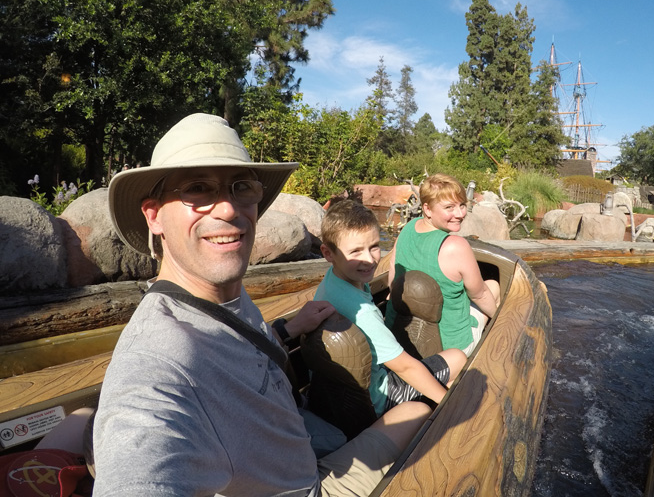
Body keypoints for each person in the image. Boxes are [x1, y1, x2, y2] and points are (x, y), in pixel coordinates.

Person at [93, 113, 430, 496]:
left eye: (240, 188)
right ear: (154, 215)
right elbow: (141, 462)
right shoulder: (154, 366)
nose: (226, 209)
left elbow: (233, 346)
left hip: (300, 438)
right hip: (310, 488)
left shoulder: (223, 294)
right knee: (421, 411)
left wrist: (286, 330)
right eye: (198, 189)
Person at [315, 200, 466, 417]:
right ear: (328, 253)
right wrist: (447, 403)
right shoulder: (363, 313)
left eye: (374, 246)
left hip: (344, 395)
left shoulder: (334, 281)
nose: (369, 259)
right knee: (458, 358)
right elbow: (405, 368)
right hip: (378, 399)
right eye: (356, 251)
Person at [387, 173, 500, 356]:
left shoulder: (407, 228)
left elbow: (392, 275)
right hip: (450, 347)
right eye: (449, 207)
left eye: (462, 205)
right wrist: (501, 320)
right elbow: (479, 296)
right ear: (427, 209)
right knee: (492, 287)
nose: (460, 214)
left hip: (399, 338)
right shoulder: (456, 246)